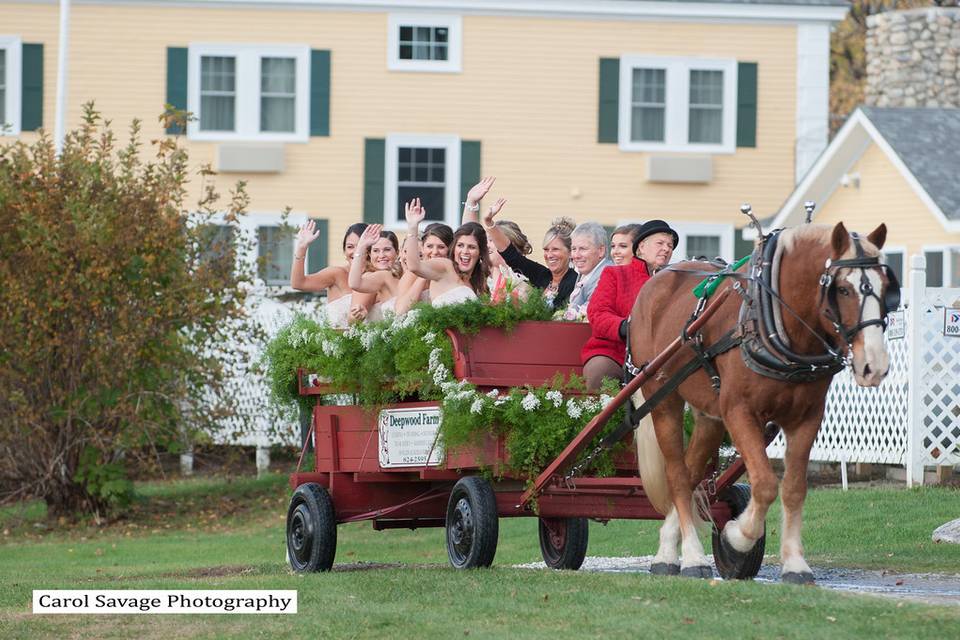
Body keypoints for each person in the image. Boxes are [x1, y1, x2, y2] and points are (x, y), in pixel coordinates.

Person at [581, 219, 678, 391]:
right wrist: (625, 327)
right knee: (599, 372)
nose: (666, 249)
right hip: (614, 352)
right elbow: (597, 313)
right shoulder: (615, 274)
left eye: (670, 245)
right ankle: (602, 417)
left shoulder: (675, 282)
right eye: (660, 243)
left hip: (659, 357)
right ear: (641, 247)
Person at [483, 202, 577, 308]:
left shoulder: (575, 282)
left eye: (555, 249)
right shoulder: (542, 275)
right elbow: (511, 256)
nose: (549, 255)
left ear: (570, 252)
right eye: (546, 249)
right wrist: (489, 223)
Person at [404, 198, 490, 306]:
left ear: (480, 252)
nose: (465, 251)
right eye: (460, 245)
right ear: (453, 248)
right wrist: (413, 227)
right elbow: (414, 266)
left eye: (471, 247)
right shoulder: (446, 267)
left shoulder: (480, 280)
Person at [291, 221, 372, 328]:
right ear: (344, 251)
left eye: (360, 246)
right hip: (337, 341)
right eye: (350, 247)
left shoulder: (377, 277)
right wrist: (302, 247)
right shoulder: (337, 274)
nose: (355, 252)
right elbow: (298, 283)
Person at [394, 222, 454, 315]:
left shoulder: (455, 275)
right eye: (429, 246)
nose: (434, 252)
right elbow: (400, 311)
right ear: (423, 248)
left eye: (441, 247)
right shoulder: (411, 275)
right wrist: (424, 276)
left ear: (450, 249)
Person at [348, 225, 403, 321]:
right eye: (376, 251)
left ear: (397, 252)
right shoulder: (371, 277)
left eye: (387, 250)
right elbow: (352, 319)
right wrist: (361, 246)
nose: (381, 255)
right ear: (370, 254)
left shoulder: (401, 275)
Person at [565, 222, 613, 313]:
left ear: (601, 251)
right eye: (574, 249)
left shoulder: (607, 276)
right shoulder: (586, 273)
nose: (576, 255)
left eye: (583, 249)